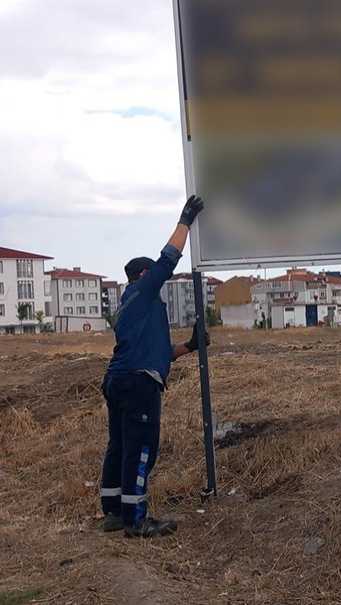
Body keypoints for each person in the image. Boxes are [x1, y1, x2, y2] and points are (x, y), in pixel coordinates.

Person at [99, 195, 208, 538]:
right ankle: (136, 519)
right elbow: (168, 258)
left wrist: (190, 346)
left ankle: (114, 512)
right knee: (141, 446)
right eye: (153, 276)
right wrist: (186, 220)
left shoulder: (129, 307)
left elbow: (156, 354)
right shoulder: (143, 291)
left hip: (119, 380)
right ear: (143, 275)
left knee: (119, 445)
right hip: (138, 384)